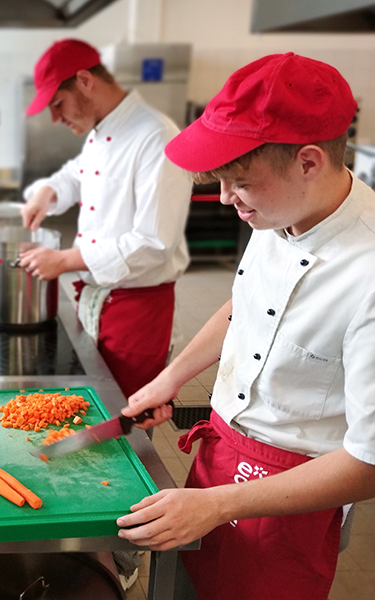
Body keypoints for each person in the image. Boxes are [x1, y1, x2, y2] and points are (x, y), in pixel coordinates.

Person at [117, 53, 375, 600]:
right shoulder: (281, 210)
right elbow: (243, 305)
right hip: (220, 458)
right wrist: (170, 377)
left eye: (238, 182)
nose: (224, 199)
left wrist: (218, 505)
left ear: (308, 162)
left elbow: (369, 463)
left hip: (294, 497)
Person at [18, 38, 192, 401]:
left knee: (126, 418)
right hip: (99, 300)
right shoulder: (102, 132)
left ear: (84, 80)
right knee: (99, 406)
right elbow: (75, 174)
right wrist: (47, 191)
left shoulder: (154, 136)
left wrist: (65, 259)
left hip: (137, 312)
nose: (55, 117)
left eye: (57, 104)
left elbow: (153, 243)